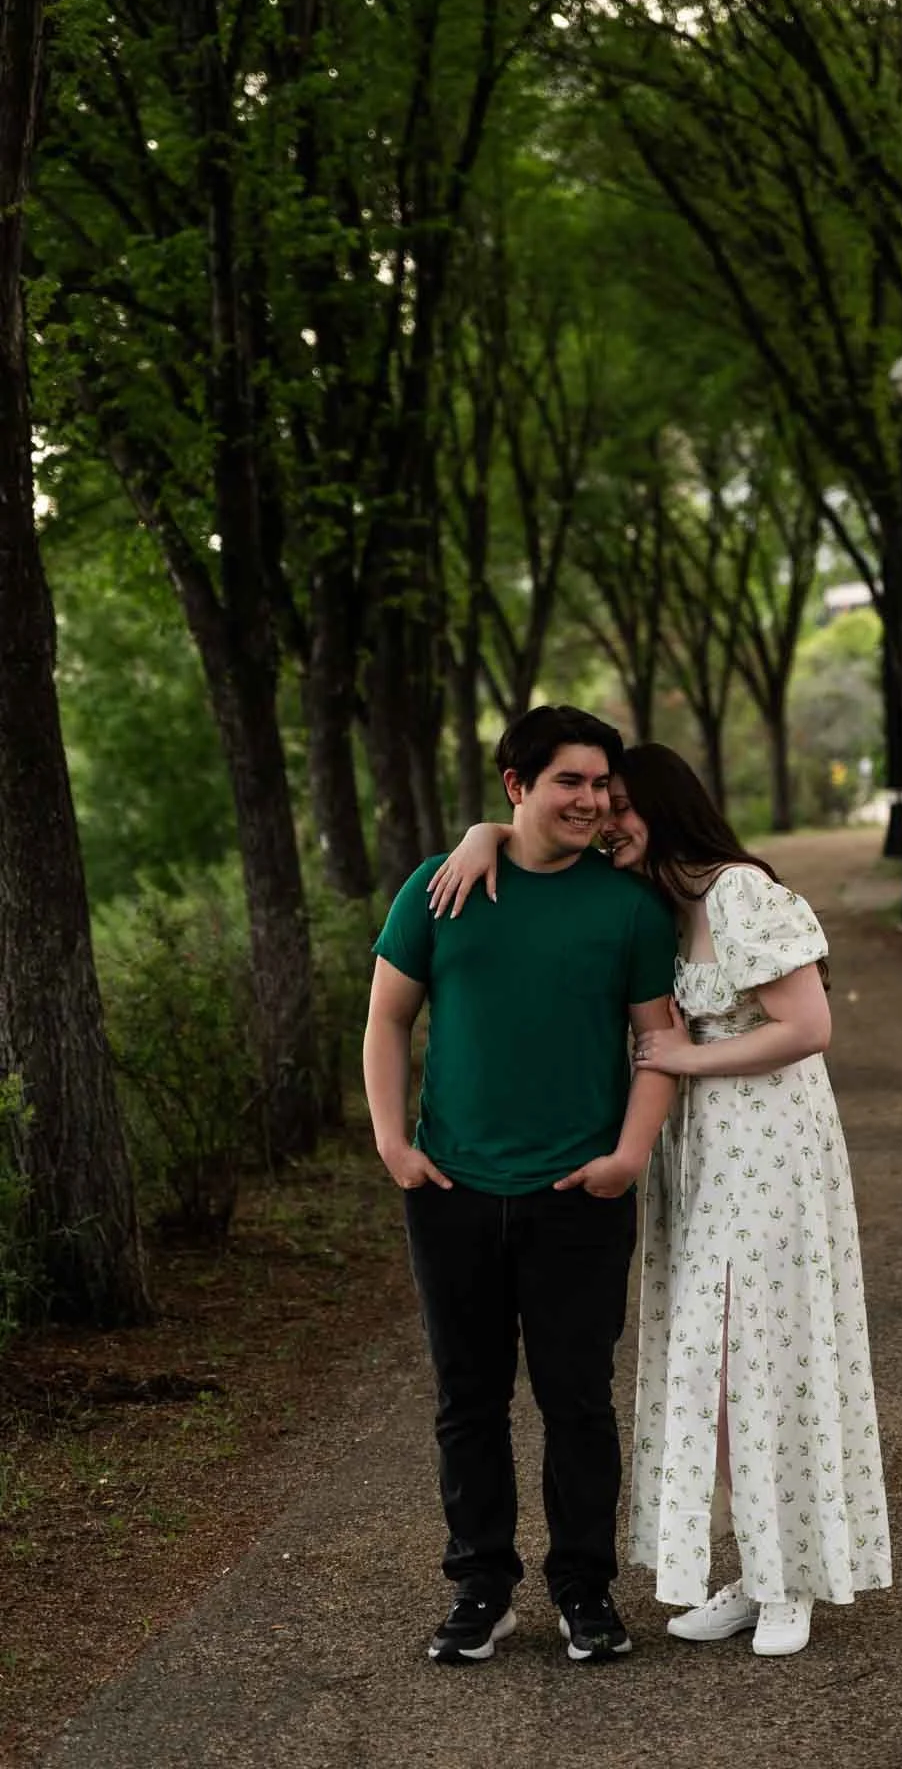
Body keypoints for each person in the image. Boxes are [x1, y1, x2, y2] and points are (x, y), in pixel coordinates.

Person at [429, 742, 891, 1659]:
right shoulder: (658, 905)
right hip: (702, 1157)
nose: (606, 816)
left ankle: (786, 1578)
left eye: (624, 803)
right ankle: (753, 1568)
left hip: (769, 1153)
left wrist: (685, 1058)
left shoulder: (738, 892)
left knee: (762, 1361)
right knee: (713, 1376)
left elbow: (809, 1027)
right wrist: (485, 830)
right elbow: (533, 845)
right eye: (598, 799)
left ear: (669, 808)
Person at [363, 706, 678, 1667]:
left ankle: (584, 1592)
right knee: (468, 1398)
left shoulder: (626, 906)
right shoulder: (440, 888)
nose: (588, 800)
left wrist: (627, 1158)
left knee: (576, 1399)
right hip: (451, 1188)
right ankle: (481, 1589)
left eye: (598, 784)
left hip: (578, 1193)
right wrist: (391, 1143)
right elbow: (385, 1020)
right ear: (517, 787)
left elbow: (658, 1042)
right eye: (567, 782)